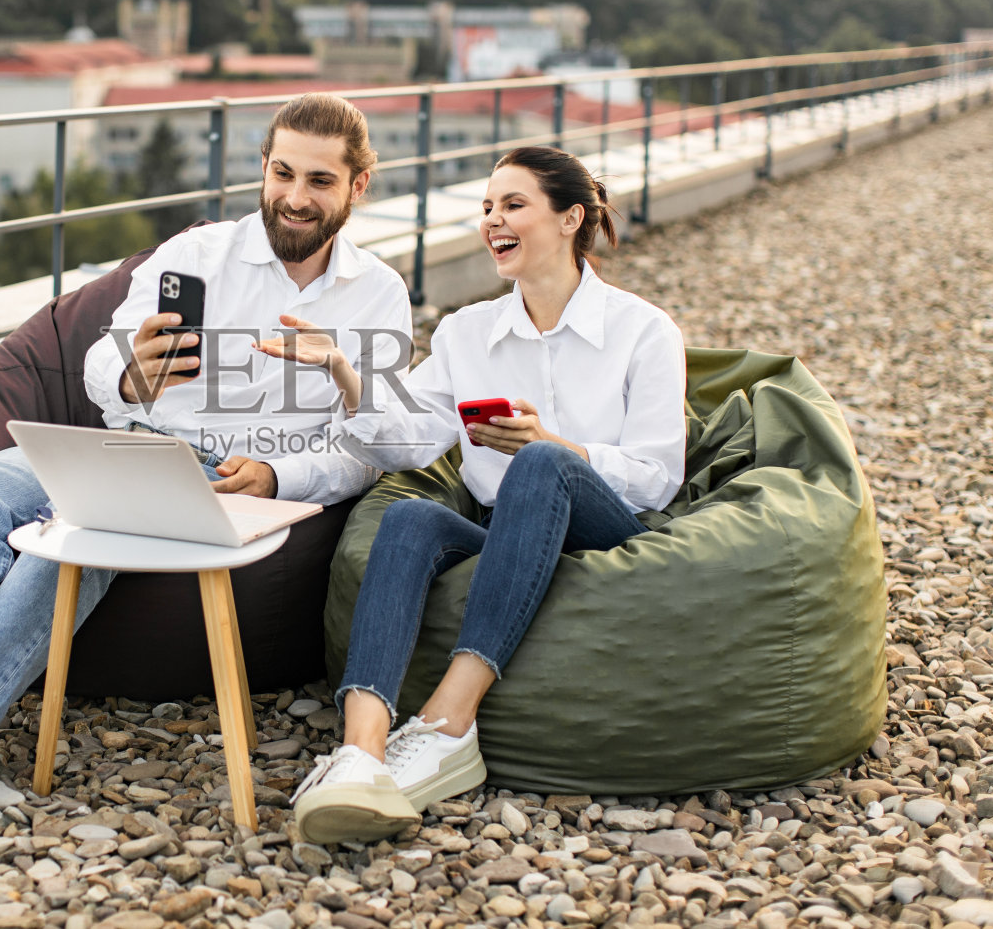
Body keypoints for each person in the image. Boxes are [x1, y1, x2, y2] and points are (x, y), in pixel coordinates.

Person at [0, 93, 414, 786]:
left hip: (233, 480)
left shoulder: (377, 294)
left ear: (358, 186)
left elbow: (376, 447)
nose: (294, 197)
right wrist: (132, 376)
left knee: (72, 542)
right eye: (282, 173)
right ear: (264, 168)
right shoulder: (196, 253)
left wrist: (277, 475)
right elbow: (97, 365)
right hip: (137, 442)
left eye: (319, 181)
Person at [255, 146, 687, 843]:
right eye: (487, 207)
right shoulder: (467, 333)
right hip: (506, 530)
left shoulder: (643, 330)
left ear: (571, 217)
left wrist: (559, 446)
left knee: (541, 464)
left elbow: (658, 471)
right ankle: (362, 748)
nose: (493, 221)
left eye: (513, 205)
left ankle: (452, 719)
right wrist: (343, 370)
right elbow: (406, 442)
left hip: (607, 526)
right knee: (409, 516)